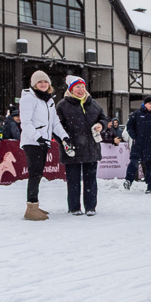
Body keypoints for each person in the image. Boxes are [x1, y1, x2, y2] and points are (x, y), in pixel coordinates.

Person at [20, 70, 71, 221]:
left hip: (43, 142)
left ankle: (34, 204)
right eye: (39, 82)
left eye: (45, 82)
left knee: (38, 174)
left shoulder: (48, 100)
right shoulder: (28, 98)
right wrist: (38, 138)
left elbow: (55, 123)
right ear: (34, 84)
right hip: (32, 141)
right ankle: (31, 208)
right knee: (35, 174)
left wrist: (64, 136)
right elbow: (26, 123)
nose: (43, 84)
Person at [56, 75, 108, 216]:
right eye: (77, 87)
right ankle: (74, 207)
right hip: (72, 148)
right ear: (71, 89)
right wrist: (64, 141)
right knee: (73, 181)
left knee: (90, 180)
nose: (81, 89)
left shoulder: (93, 103)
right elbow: (56, 126)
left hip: (91, 148)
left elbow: (104, 118)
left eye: (83, 87)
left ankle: (90, 206)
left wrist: (100, 125)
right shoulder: (62, 105)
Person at [124, 96, 151, 193]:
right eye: (149, 103)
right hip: (138, 144)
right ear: (145, 104)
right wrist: (134, 136)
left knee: (150, 165)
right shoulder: (137, 114)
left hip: (150, 145)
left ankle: (150, 186)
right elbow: (129, 126)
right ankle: (128, 180)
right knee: (133, 162)